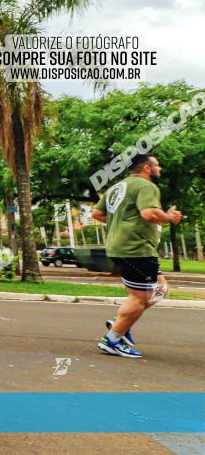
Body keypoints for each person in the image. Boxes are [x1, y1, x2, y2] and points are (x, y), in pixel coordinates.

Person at [92, 153, 182, 358]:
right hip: (135, 249)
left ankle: (120, 322)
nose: (160, 169)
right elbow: (149, 214)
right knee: (139, 298)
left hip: (124, 247)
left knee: (161, 288)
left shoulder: (116, 187)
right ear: (147, 168)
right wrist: (169, 217)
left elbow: (97, 214)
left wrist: (122, 223)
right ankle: (112, 340)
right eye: (157, 166)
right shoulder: (146, 186)